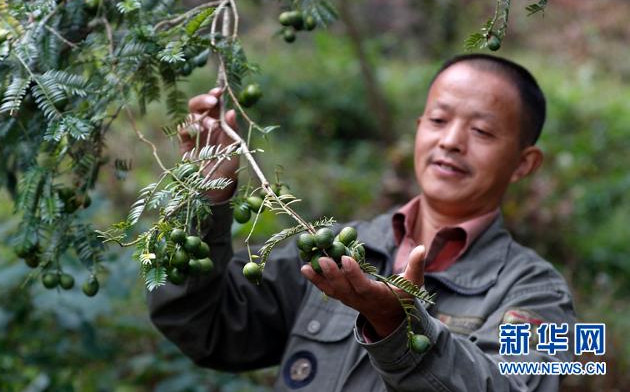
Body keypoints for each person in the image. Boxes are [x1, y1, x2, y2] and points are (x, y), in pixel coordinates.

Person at [148, 53, 576, 391]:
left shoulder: (534, 293)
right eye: (439, 120)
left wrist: (396, 326)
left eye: (481, 131)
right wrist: (207, 201)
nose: (450, 141)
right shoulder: (331, 249)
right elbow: (207, 327)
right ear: (419, 127)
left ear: (524, 163)